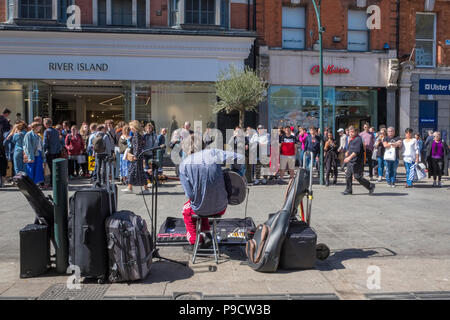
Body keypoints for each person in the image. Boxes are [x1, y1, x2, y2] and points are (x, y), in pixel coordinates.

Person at [179, 140, 239, 251]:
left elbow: (190, 195)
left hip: (201, 208)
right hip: (221, 207)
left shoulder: (184, 164)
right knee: (203, 201)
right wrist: (235, 174)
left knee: (186, 209)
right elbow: (238, 157)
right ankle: (207, 234)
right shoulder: (213, 153)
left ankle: (194, 242)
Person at [343, 126, 375, 195]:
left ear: (356, 132)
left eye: (352, 132)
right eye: (350, 132)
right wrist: (347, 152)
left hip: (356, 161)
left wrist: (348, 158)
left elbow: (356, 151)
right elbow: (350, 148)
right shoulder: (351, 139)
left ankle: (370, 186)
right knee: (348, 175)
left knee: (357, 176)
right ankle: (349, 190)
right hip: (351, 161)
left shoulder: (358, 139)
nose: (351, 133)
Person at [122, 120, 149, 194]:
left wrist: (135, 156)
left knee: (133, 171)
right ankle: (132, 187)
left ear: (134, 126)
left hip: (136, 156)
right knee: (138, 171)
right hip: (138, 155)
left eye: (131, 126)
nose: (130, 128)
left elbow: (137, 146)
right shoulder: (139, 134)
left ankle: (130, 188)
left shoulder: (136, 134)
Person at [23, 122, 45, 186]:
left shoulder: (38, 135)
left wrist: (43, 157)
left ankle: (35, 184)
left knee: (38, 170)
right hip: (32, 154)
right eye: (39, 127)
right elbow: (28, 147)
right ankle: (30, 184)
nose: (40, 128)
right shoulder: (28, 135)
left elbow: (41, 147)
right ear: (35, 127)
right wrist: (30, 157)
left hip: (38, 154)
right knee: (31, 169)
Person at [43, 118, 62, 185]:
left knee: (51, 167)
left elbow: (45, 143)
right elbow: (58, 142)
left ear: (46, 124)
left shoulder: (47, 131)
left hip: (50, 152)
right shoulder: (56, 131)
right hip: (56, 152)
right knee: (55, 167)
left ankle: (51, 182)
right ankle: (55, 181)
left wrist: (44, 150)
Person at [0, 108, 12, 187]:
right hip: (2, 148)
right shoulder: (4, 120)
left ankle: (2, 181)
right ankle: (2, 181)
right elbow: (7, 130)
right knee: (2, 164)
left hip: (2, 147)